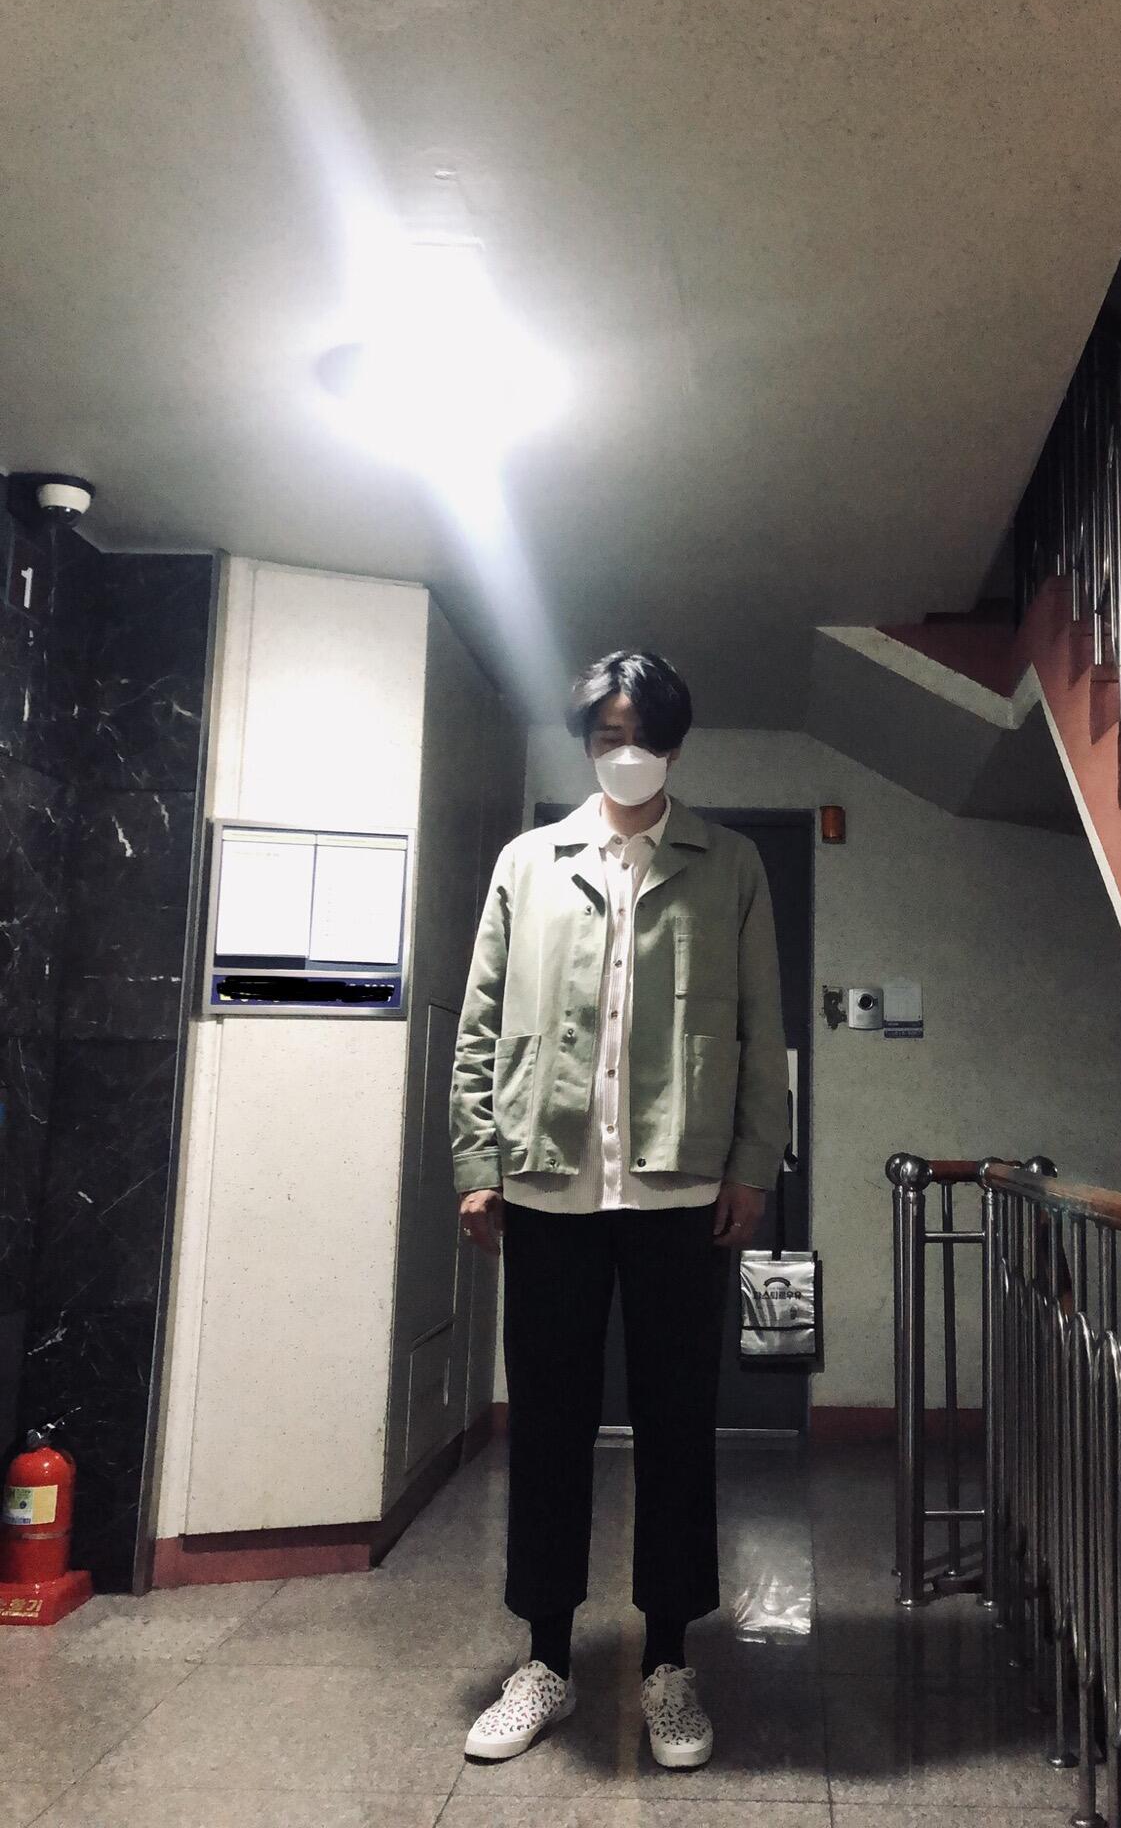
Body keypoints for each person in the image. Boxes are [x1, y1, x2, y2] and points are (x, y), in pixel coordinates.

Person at [450, 649, 788, 1771]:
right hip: (549, 1183)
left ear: (674, 745)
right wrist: (477, 1158)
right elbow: (480, 1023)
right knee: (547, 1425)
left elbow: (762, 1030)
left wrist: (752, 1163)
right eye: (607, 734)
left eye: (643, 735)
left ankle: (670, 1663)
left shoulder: (730, 864)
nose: (625, 751)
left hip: (680, 1192)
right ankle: (545, 1658)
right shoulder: (528, 862)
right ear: (586, 741)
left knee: (677, 1427)